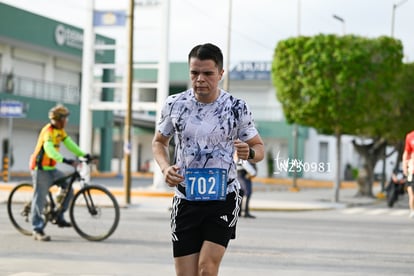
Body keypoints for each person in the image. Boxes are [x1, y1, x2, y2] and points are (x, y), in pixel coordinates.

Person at [152, 43, 264, 275]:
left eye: (208, 73)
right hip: (186, 198)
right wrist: (165, 168)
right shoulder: (175, 104)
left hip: (223, 198)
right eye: (194, 73)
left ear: (221, 74)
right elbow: (159, 142)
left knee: (206, 268)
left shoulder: (236, 107)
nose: (200, 79)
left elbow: (259, 148)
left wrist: (249, 152)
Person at [29, 104, 88, 241]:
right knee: (40, 198)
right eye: (65, 118)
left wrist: (84, 155)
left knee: (68, 188)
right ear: (59, 119)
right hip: (41, 170)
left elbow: (70, 144)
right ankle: (37, 229)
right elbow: (49, 150)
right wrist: (65, 160)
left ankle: (59, 216)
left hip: (52, 170)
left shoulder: (60, 132)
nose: (66, 121)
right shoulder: (48, 131)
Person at [402, 130, 414, 218]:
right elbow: (407, 152)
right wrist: (404, 166)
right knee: (411, 190)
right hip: (412, 169)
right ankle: (412, 210)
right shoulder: (410, 136)